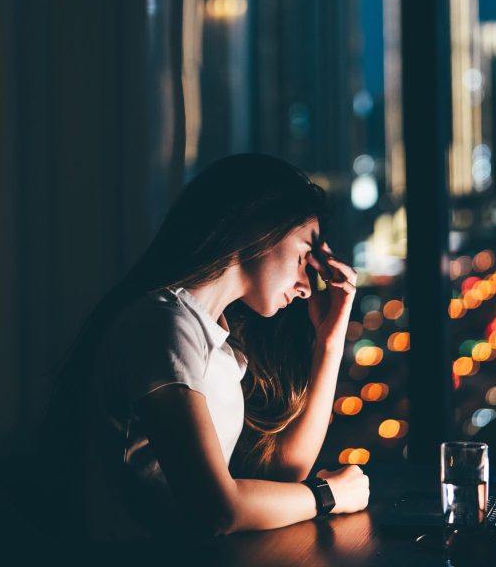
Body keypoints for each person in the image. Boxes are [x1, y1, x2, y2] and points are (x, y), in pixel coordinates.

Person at [39, 153, 371, 543]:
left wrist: (329, 341)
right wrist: (329, 494)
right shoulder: (163, 325)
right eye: (302, 258)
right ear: (257, 225)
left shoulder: (212, 336)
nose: (305, 287)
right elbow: (218, 509)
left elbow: (283, 476)